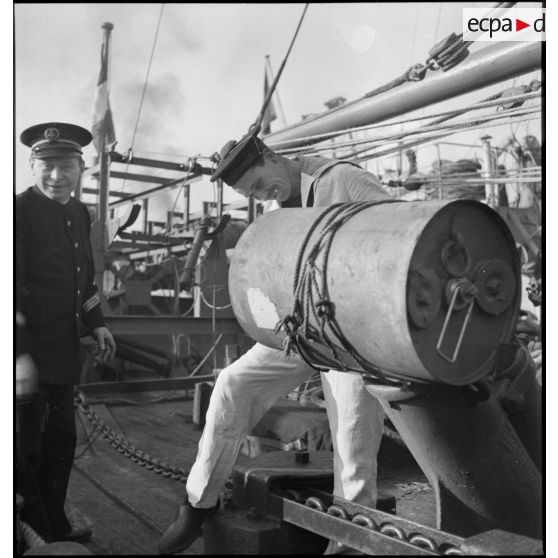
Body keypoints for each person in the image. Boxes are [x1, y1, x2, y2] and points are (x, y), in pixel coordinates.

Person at [158, 131, 389, 555]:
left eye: (262, 184)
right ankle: (198, 504)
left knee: (351, 439)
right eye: (253, 193)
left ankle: (347, 545)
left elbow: (401, 243)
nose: (264, 195)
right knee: (232, 384)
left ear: (270, 156)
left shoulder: (343, 180)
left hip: (350, 339)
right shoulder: (277, 207)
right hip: (302, 331)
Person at [16, 122, 116, 543]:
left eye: (67, 167)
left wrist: (97, 323)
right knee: (24, 449)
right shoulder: (17, 212)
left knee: (59, 443)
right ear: (32, 165)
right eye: (48, 166)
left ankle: (52, 526)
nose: (57, 176)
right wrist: (19, 356)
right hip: (25, 360)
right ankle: (25, 534)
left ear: (81, 169)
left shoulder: (79, 213)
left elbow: (84, 279)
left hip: (61, 355)